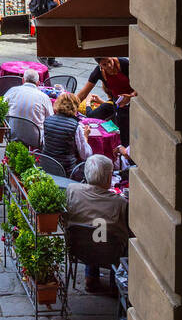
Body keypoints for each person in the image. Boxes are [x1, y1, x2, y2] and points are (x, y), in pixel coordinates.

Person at [65, 154, 129, 292]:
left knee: (92, 231)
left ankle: (91, 277)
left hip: (78, 249)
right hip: (111, 253)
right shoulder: (120, 203)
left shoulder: (72, 190)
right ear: (108, 177)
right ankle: (115, 284)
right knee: (106, 236)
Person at [77, 56, 135, 145]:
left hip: (134, 100)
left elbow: (141, 85)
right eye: (104, 64)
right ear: (100, 65)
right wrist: (71, 106)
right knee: (122, 131)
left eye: (109, 61)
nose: (109, 66)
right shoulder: (98, 72)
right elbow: (84, 93)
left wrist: (131, 96)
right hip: (119, 104)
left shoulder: (124, 64)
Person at [42, 92, 93, 176]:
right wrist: (85, 136)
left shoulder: (47, 120)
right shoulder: (76, 126)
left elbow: (44, 143)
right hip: (66, 170)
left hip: (46, 165)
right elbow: (85, 154)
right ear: (75, 107)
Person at [2, 69, 54, 133]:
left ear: (23, 80)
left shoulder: (12, 91)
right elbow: (50, 119)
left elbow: (2, 109)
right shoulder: (44, 97)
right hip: (35, 139)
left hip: (12, 134)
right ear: (38, 83)